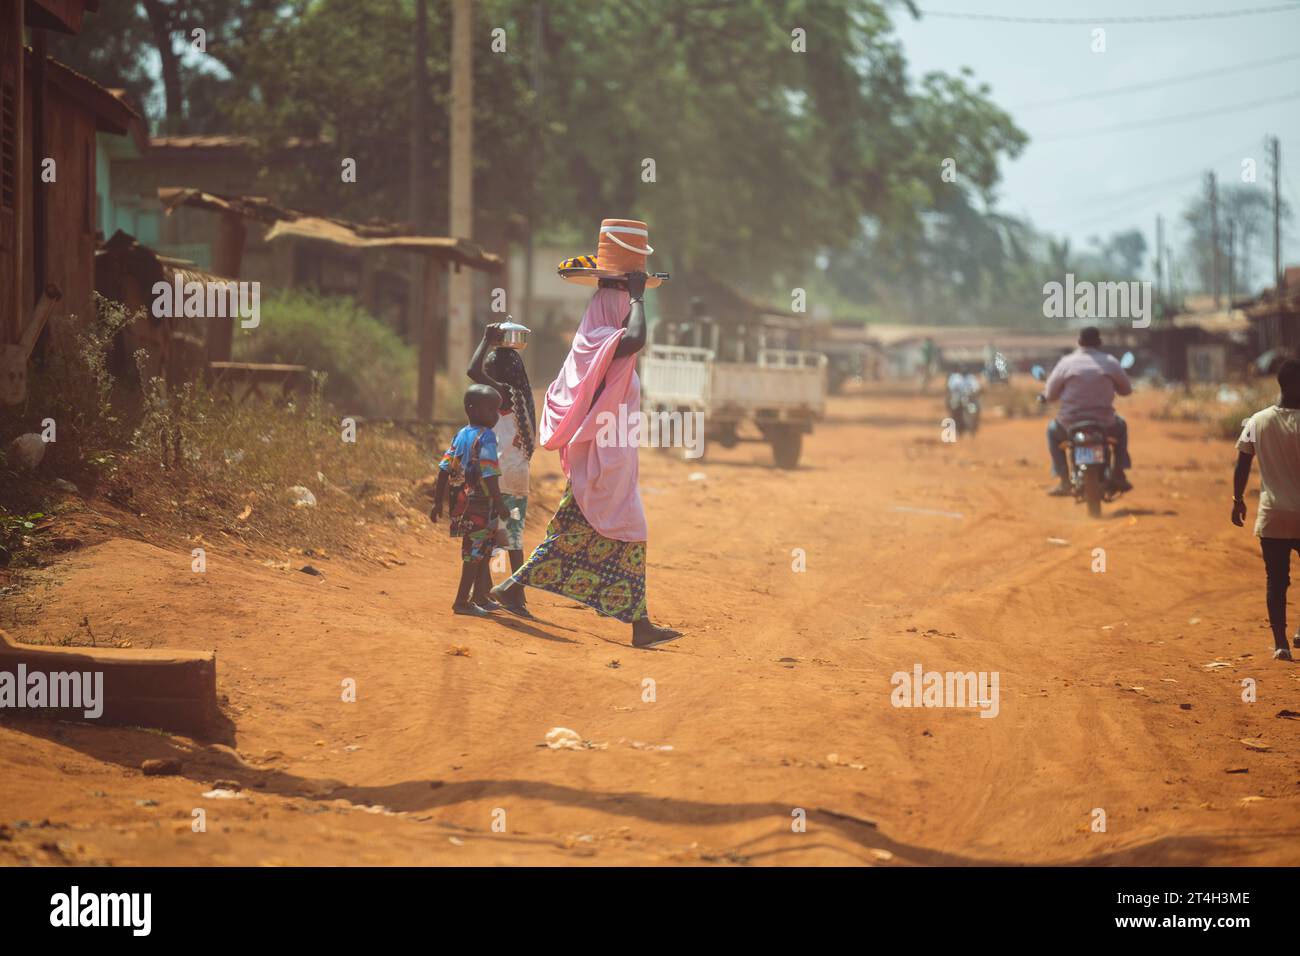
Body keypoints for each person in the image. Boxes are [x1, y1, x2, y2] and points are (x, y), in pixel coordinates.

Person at [491, 218, 681, 648]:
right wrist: (636, 298)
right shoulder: (600, 334)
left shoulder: (600, 334)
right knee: (627, 529)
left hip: (610, 453)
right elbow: (635, 339)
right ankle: (637, 625)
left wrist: (632, 296)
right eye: (620, 297)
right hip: (600, 456)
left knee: (586, 532)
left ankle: (516, 589)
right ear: (610, 301)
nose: (627, 304)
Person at [466, 322, 537, 618]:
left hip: (497, 476)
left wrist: (485, 340)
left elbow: (473, 371)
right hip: (518, 476)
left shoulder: (501, 395)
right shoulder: (522, 396)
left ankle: (483, 592)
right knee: (513, 538)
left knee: (488, 536)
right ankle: (513, 595)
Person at [1232, 358, 1300, 662]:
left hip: (1272, 515)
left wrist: (1237, 500)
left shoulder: (1256, 421)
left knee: (1277, 579)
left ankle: (1281, 643)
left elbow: (1242, 463)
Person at [431, 384, 509, 617]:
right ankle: (461, 601)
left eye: (497, 410)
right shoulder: (487, 437)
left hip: (461, 502)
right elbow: (489, 473)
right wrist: (500, 502)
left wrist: (438, 502)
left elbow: (445, 468)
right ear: (472, 409)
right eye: (490, 410)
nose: (495, 415)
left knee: (482, 550)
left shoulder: (461, 434)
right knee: (475, 553)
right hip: (481, 505)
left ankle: (479, 596)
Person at [1041, 326, 1133, 495]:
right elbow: (1126, 390)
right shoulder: (1110, 362)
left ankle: (1064, 480)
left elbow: (1050, 394)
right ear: (1099, 342)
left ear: (1079, 342)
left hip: (1069, 424)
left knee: (1052, 431)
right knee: (1122, 427)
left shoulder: (1066, 362)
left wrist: (1047, 396)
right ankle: (1119, 473)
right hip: (1105, 424)